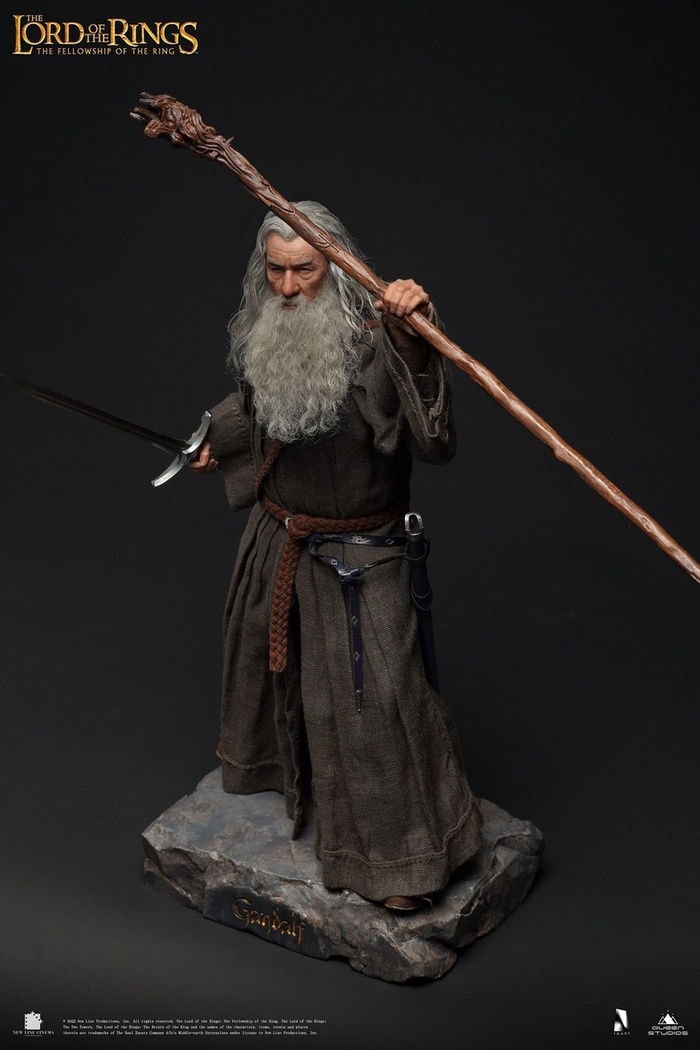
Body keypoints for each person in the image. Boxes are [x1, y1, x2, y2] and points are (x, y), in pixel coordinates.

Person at [190, 201, 483, 911]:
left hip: (360, 558)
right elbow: (258, 401)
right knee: (265, 674)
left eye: (306, 270)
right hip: (279, 538)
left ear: (337, 267)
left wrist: (416, 338)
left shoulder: (380, 343)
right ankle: (285, 780)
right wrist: (214, 436)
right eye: (276, 270)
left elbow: (435, 443)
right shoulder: (271, 323)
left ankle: (403, 862)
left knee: (377, 705)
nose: (289, 287)